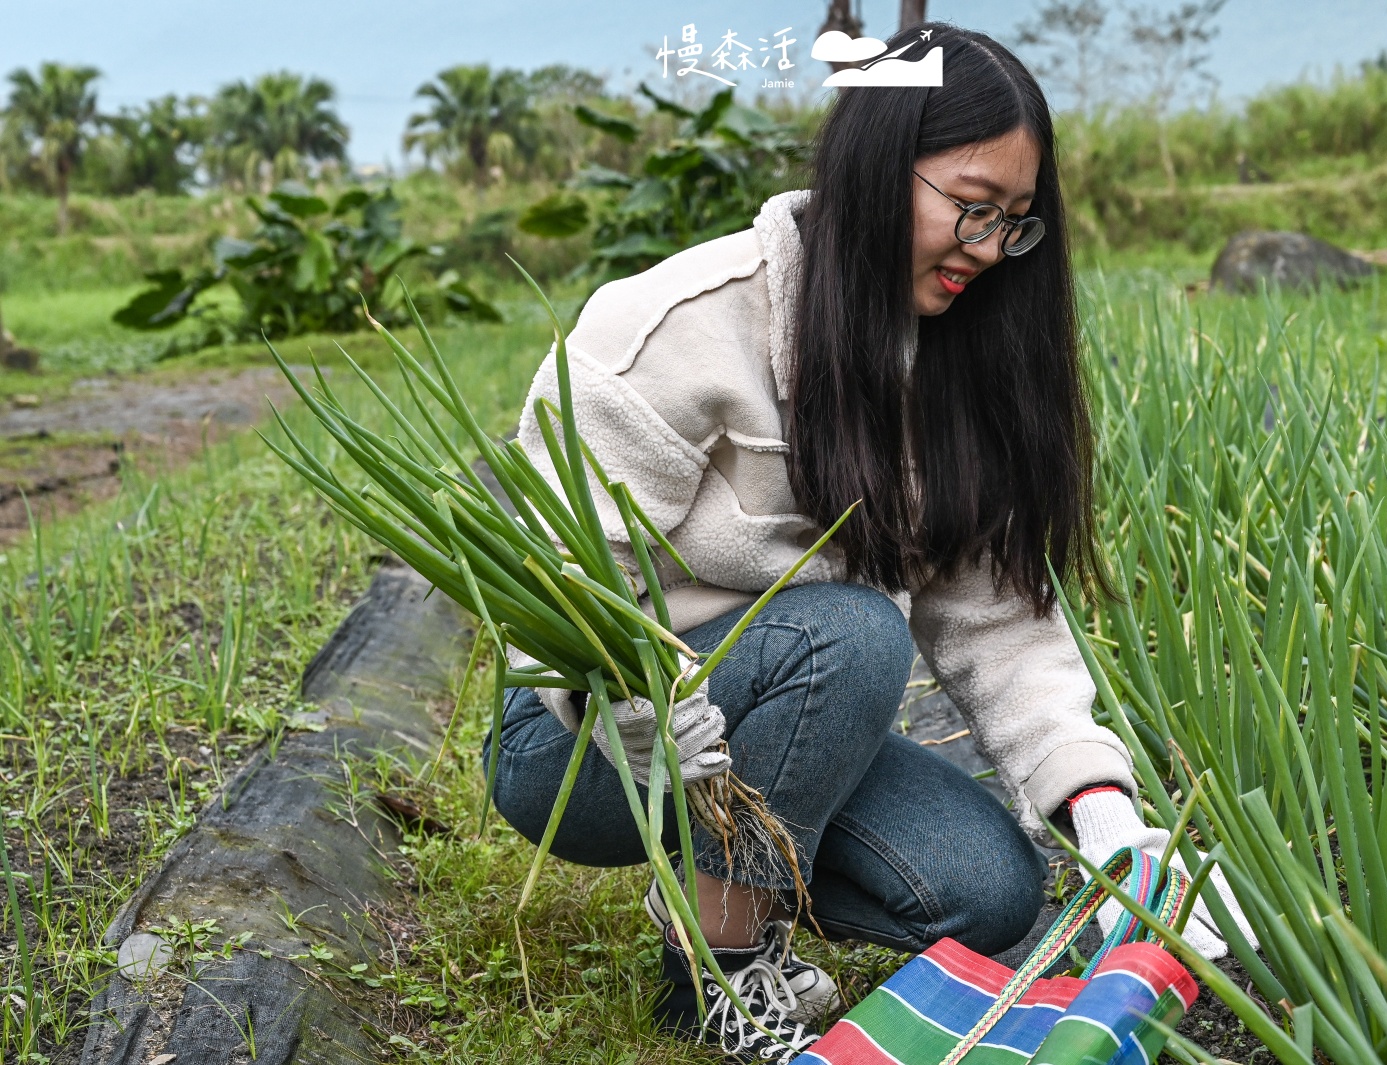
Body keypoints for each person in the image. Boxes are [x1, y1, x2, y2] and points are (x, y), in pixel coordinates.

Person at [484, 21, 1255, 1064]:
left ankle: (730, 869)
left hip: (764, 714)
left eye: (1014, 224)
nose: (987, 250)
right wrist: (629, 688)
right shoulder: (677, 326)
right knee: (849, 636)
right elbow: (550, 565)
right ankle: (717, 963)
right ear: (874, 165)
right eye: (970, 208)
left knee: (983, 892)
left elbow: (997, 623)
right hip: (579, 741)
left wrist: (1101, 810)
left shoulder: (959, 365)